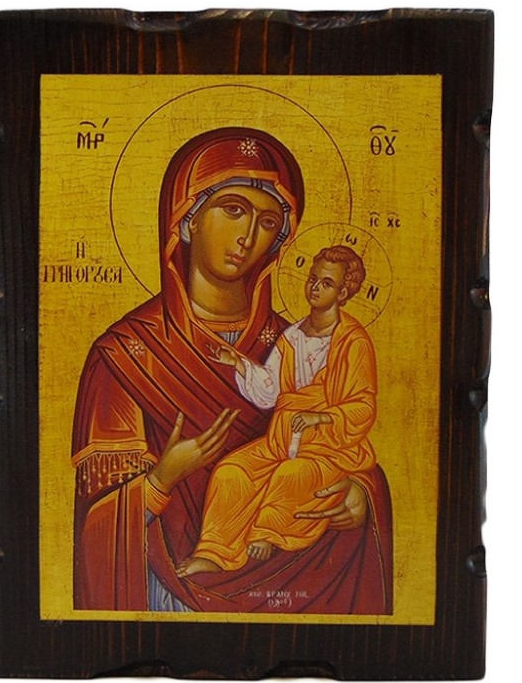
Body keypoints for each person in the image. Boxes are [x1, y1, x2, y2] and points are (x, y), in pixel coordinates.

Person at [72, 127, 392, 614]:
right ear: (187, 220)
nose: (248, 236)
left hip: (297, 592)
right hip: (168, 596)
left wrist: (359, 495)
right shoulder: (128, 354)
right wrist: (162, 480)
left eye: (268, 221)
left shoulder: (299, 340)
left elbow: (352, 440)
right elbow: (94, 526)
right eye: (233, 210)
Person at [176, 246, 377, 576]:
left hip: (329, 448)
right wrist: (238, 363)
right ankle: (214, 552)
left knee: (291, 475)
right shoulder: (292, 337)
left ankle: (267, 534)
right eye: (312, 279)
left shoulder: (352, 342)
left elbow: (363, 406)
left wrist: (321, 417)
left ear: (343, 293)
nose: (315, 287)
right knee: (231, 470)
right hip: (280, 441)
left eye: (326, 283)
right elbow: (270, 389)